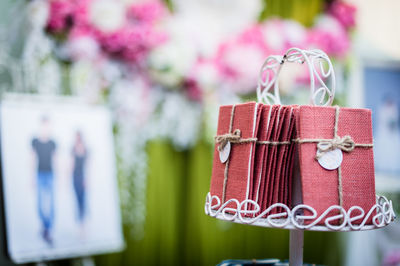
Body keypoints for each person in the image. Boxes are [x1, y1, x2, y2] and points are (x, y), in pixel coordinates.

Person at [31, 115, 57, 246]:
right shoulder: (35, 141)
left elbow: (56, 160)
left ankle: (49, 230)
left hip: (51, 175)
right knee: (40, 204)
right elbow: (32, 159)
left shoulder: (53, 142)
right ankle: (44, 226)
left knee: (51, 204)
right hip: (39, 174)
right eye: (44, 125)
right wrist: (31, 178)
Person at [71, 130, 88, 233]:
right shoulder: (72, 149)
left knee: (83, 201)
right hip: (75, 178)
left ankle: (83, 223)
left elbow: (88, 166)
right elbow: (71, 165)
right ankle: (80, 223)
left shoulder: (86, 150)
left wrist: (87, 179)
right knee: (77, 201)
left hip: (83, 178)